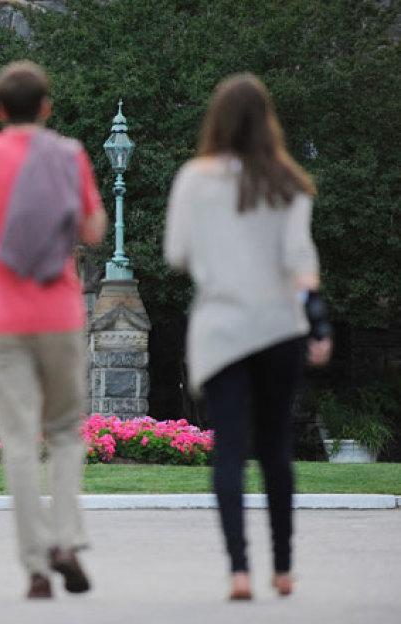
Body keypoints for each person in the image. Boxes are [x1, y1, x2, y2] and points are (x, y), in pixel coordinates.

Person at [164, 73, 333, 601]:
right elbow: (300, 262)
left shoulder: (195, 179)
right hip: (278, 327)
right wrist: (319, 323)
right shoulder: (288, 181)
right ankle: (282, 569)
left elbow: (177, 254)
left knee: (230, 449)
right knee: (276, 447)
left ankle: (239, 570)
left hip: (221, 328)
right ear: (266, 120)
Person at [0, 61, 107, 599]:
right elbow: (92, 229)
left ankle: (37, 569)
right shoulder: (69, 156)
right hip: (59, 315)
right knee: (64, 433)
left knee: (18, 443)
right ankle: (65, 538)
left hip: (0, 320)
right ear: (47, 108)